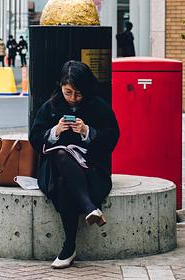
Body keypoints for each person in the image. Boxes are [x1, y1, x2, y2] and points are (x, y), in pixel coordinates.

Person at [29, 61, 120, 269]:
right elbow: (35, 137)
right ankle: (90, 208)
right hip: (54, 171)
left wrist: (88, 131)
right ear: (61, 86)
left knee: (65, 184)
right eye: (68, 92)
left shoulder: (99, 106)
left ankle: (69, 247)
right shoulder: (51, 106)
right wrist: (55, 132)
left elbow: (112, 137)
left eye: (78, 93)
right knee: (61, 156)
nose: (72, 98)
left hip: (91, 170)